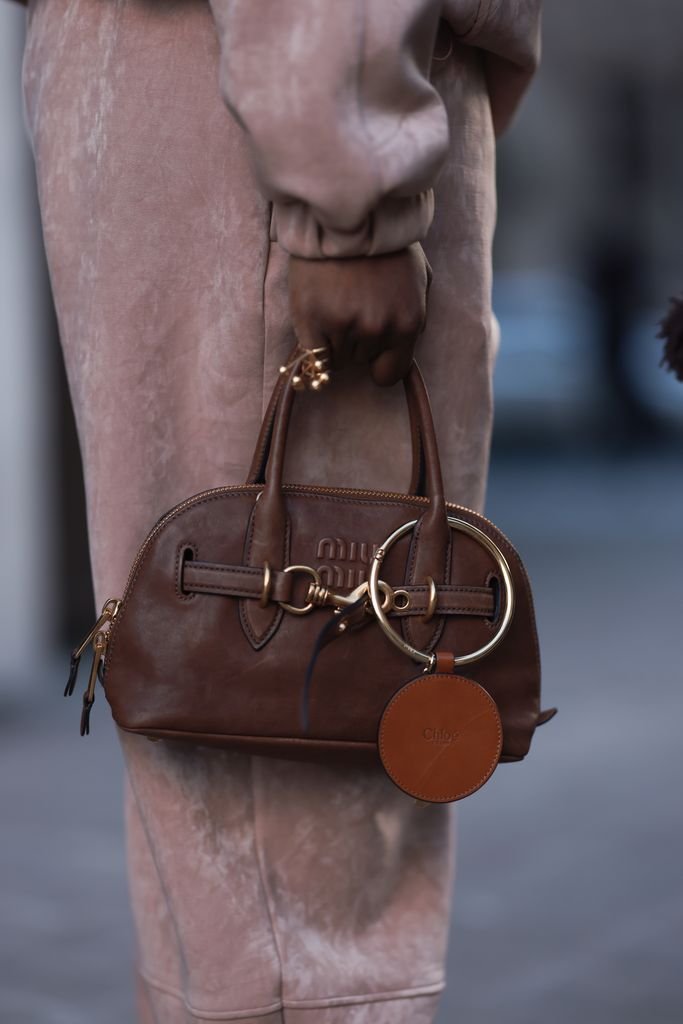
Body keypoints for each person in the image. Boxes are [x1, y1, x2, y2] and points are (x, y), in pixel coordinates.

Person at [19, 0, 541, 1020]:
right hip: (286, 107)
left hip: (249, 90)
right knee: (303, 861)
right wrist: (349, 200)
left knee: (235, 863)